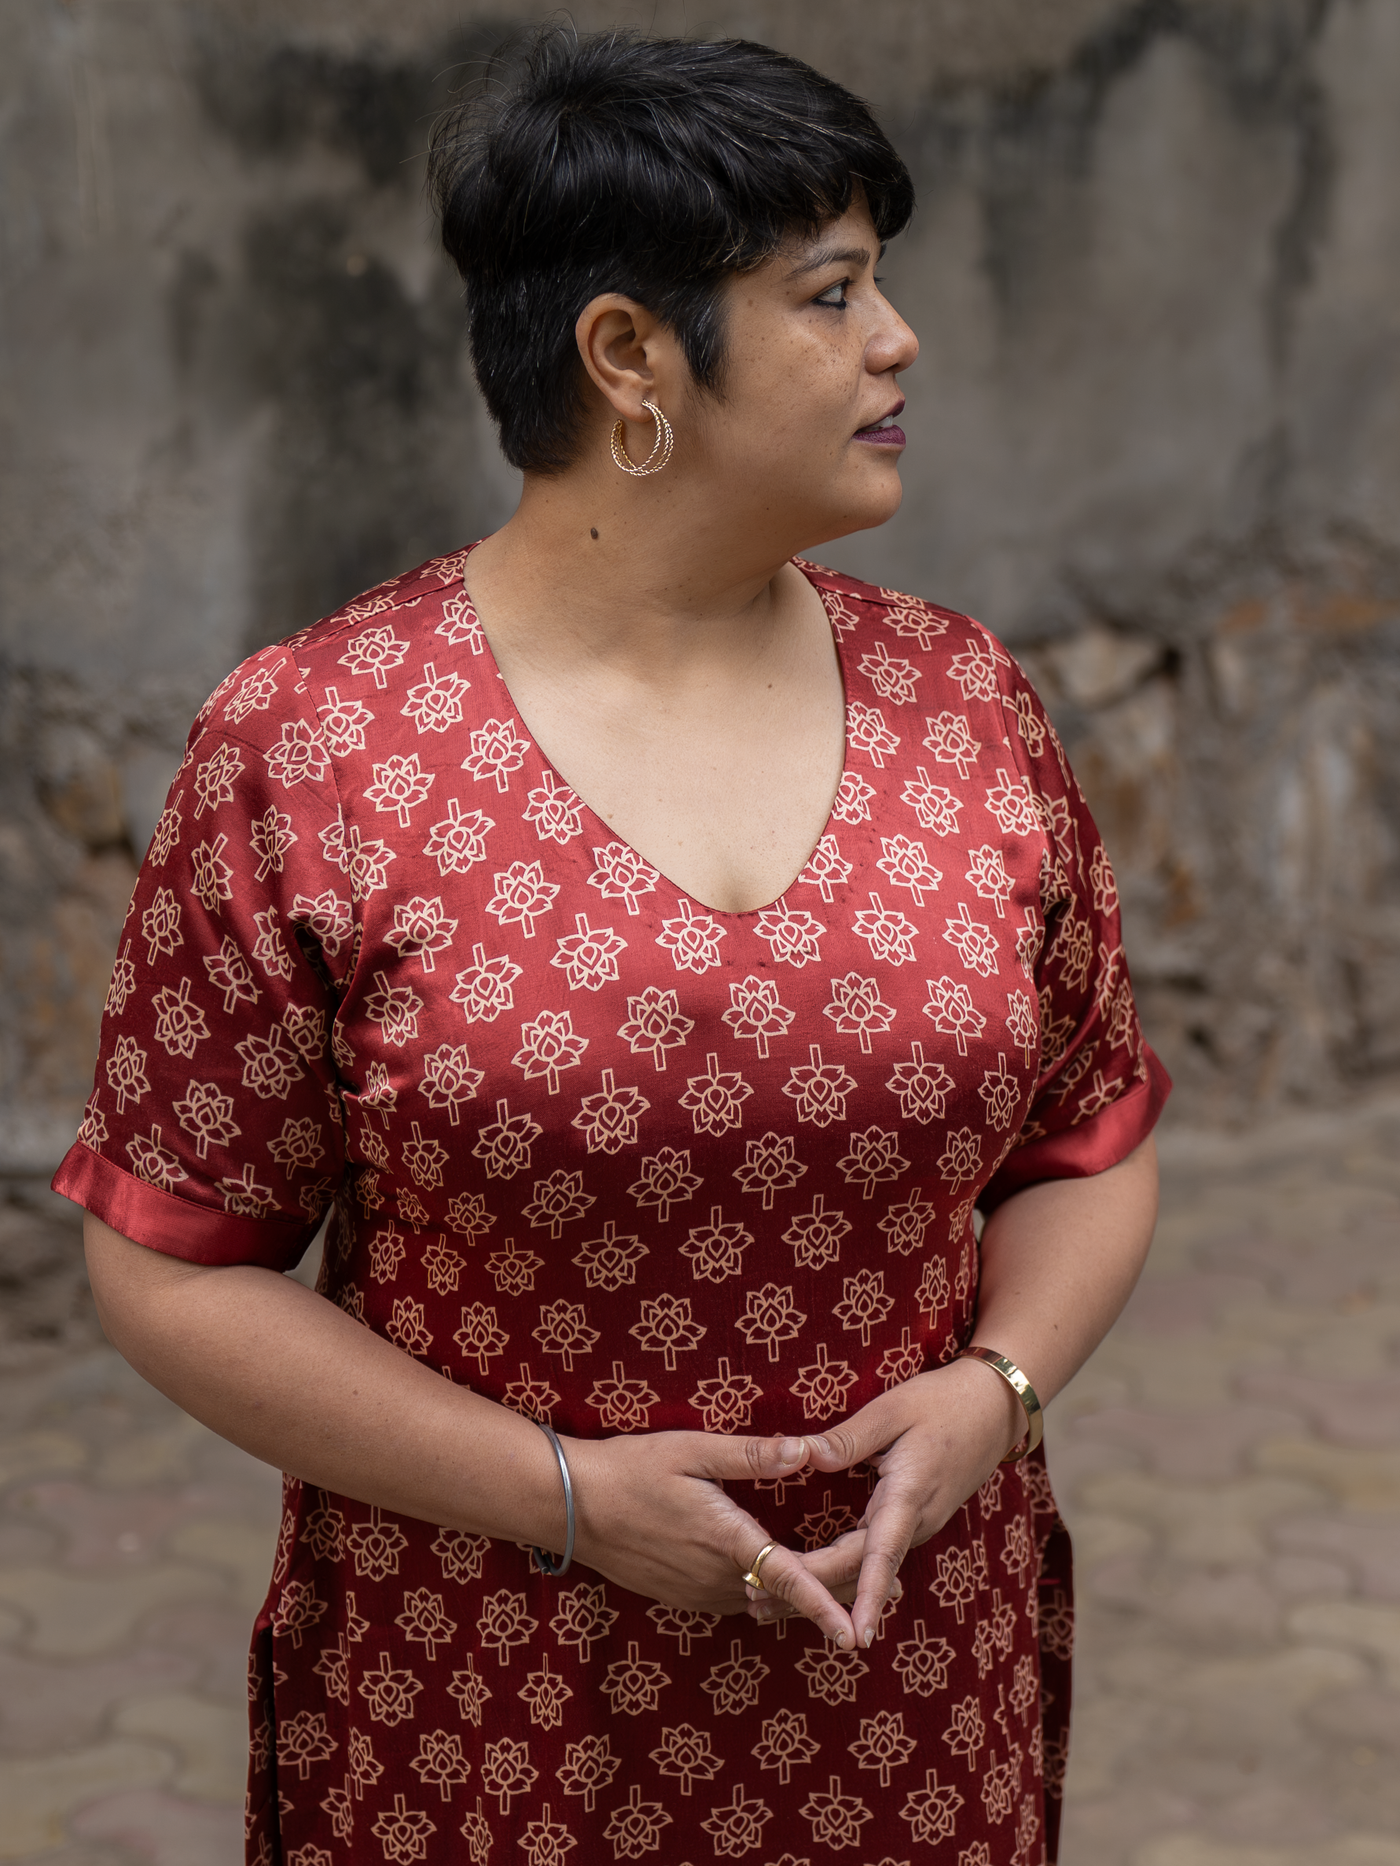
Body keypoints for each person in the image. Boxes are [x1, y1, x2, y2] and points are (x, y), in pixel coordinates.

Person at [57, 28, 1167, 1866]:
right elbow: (172, 1265)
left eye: (879, 283)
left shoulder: (963, 702)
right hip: (492, 1715)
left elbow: (1088, 1139)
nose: (899, 341)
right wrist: (564, 1494)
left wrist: (999, 1392)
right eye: (831, 293)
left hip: (906, 1698)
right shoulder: (320, 748)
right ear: (630, 355)